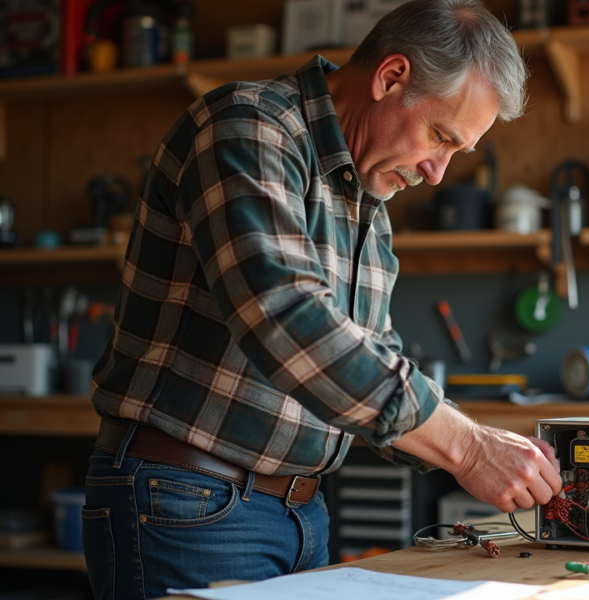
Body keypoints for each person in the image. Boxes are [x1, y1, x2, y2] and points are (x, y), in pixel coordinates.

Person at [82, 1, 561, 598]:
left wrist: (481, 448)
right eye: (440, 137)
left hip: (302, 514)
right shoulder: (249, 127)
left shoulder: (366, 202)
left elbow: (369, 356)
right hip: (187, 500)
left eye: (456, 153)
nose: (438, 173)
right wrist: (464, 448)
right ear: (391, 77)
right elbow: (284, 318)